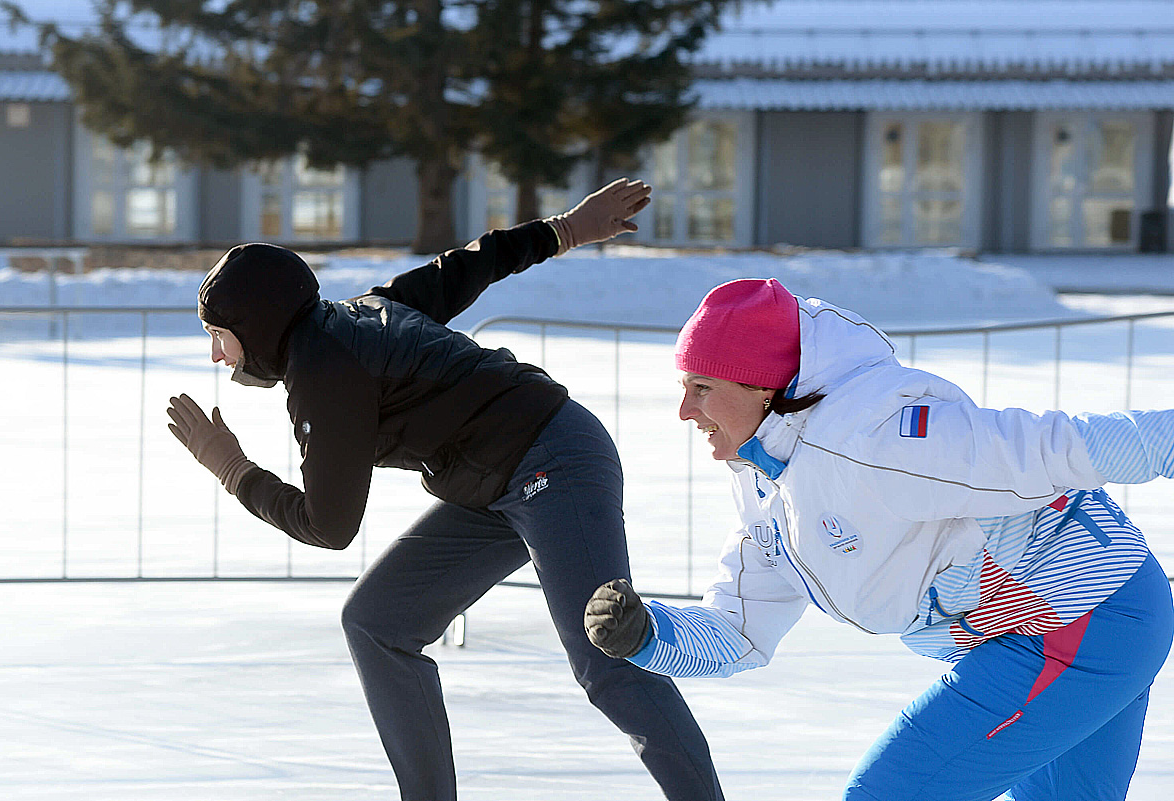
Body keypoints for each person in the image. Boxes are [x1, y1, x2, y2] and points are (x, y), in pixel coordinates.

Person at [165, 178, 725, 801]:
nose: (216, 354)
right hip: (492, 484)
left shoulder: (326, 369)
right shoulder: (360, 313)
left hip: (554, 462)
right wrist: (567, 229)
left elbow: (329, 524)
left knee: (607, 657)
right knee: (377, 622)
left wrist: (234, 470)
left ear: (259, 324)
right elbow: (469, 266)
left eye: (220, 334)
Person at [584, 277, 1174, 801]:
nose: (684, 410)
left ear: (762, 386)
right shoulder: (766, 482)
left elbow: (1058, 447)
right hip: (1062, 629)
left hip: (1082, 617)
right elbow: (741, 629)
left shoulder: (874, 436)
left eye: (703, 387)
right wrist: (649, 635)